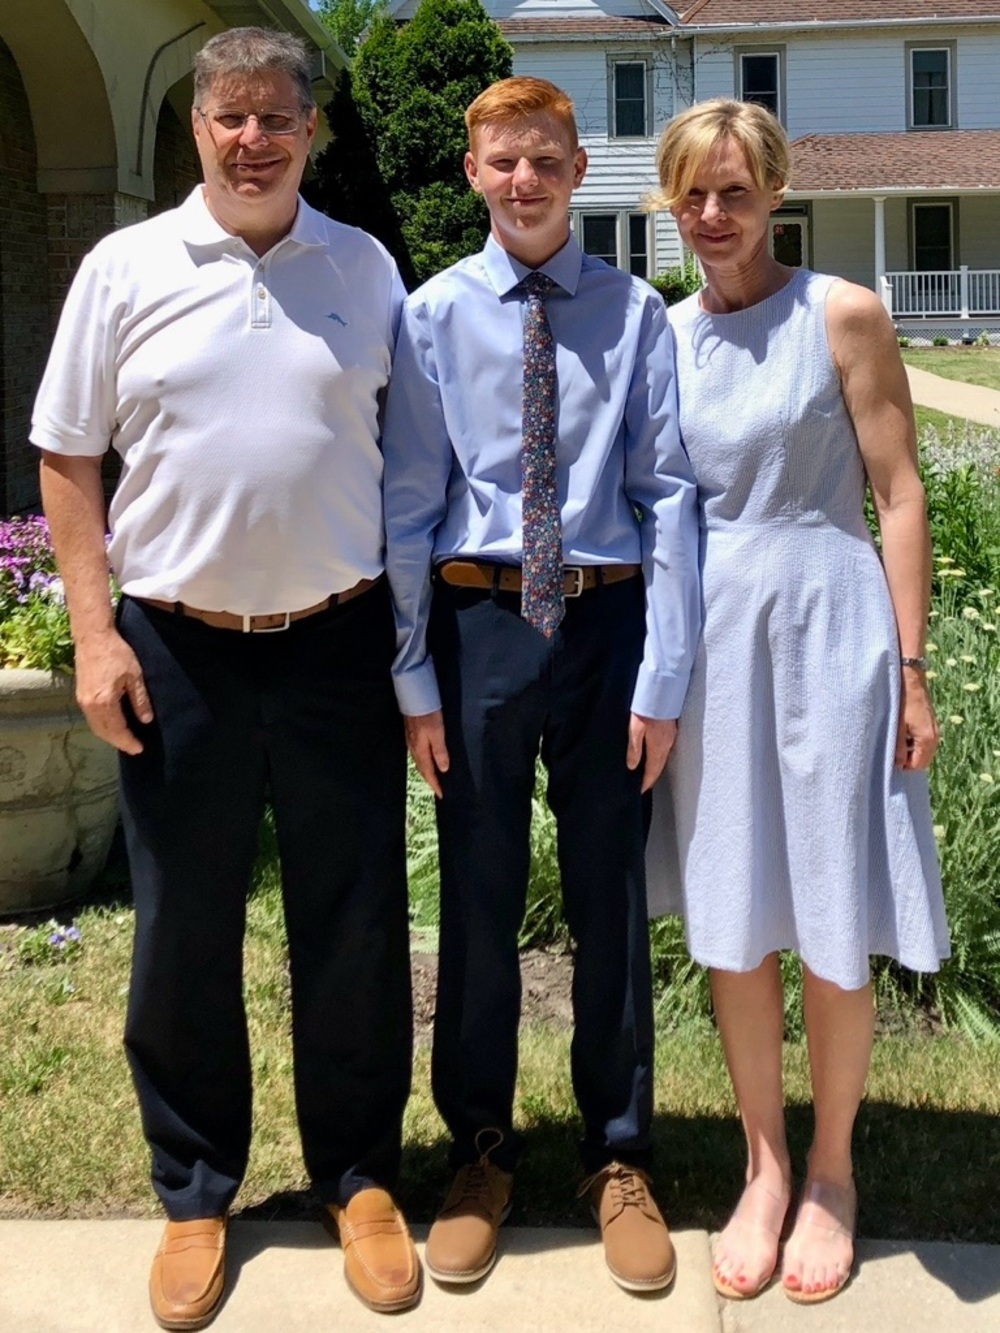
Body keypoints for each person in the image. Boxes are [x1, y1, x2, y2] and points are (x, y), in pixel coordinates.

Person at [31, 27, 419, 1328]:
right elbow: (68, 457)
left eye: (276, 118)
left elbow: (408, 457)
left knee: (354, 923)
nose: (252, 139)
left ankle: (359, 1177)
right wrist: (93, 636)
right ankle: (196, 1191)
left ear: (309, 130)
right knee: (183, 929)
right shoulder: (124, 267)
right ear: (197, 130)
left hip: (339, 647)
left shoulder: (364, 269)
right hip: (175, 651)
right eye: (228, 119)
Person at [382, 76, 700, 1294]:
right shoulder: (431, 316)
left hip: (609, 630)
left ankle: (618, 1154)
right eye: (502, 161)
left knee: (608, 893)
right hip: (478, 625)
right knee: (479, 889)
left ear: (579, 171)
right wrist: (413, 674)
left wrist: (662, 672)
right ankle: (480, 1150)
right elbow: (409, 500)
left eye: (545, 161)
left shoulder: (635, 315)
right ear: (474, 173)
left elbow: (666, 495)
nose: (524, 181)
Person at [645, 97, 950, 1305]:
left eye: (733, 191)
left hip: (830, 630)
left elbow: (901, 493)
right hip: (715, 645)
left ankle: (832, 1170)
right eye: (691, 194)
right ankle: (763, 1164)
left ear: (774, 193)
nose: (712, 215)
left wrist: (913, 668)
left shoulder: (842, 314)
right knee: (734, 902)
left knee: (824, 896)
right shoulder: (662, 335)